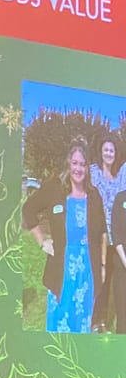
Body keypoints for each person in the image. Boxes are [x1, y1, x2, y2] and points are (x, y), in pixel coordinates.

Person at [24, 140, 104, 334]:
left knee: (82, 322)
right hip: (61, 270)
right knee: (60, 322)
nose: (78, 168)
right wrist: (42, 241)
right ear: (69, 164)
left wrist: (102, 266)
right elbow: (28, 209)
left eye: (82, 164)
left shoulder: (94, 195)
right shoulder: (54, 189)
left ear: (87, 168)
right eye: (75, 163)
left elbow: (102, 232)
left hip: (87, 272)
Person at [91, 137, 125, 332]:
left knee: (116, 282)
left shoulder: (120, 178)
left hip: (117, 240)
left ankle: (117, 321)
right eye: (106, 150)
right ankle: (97, 321)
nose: (109, 153)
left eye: (112, 150)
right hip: (99, 238)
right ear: (101, 152)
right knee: (100, 280)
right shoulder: (94, 173)